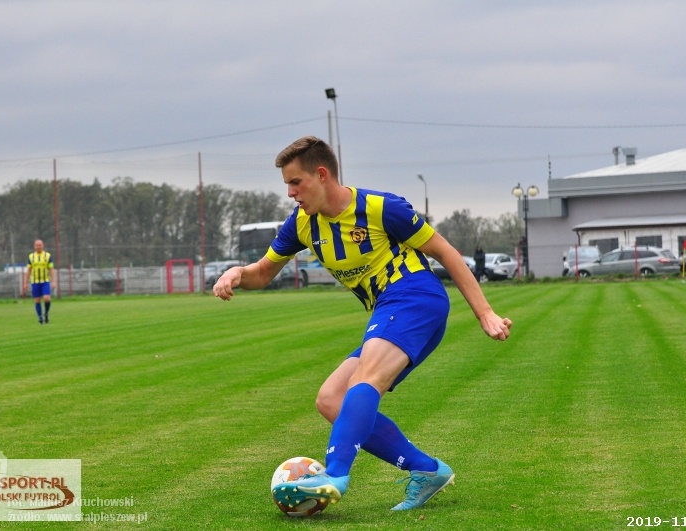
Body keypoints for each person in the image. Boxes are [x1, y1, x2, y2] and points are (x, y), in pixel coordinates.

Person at [213, 136, 512, 512]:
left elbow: (445, 252)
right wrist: (236, 273)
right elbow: (261, 273)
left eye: (296, 182)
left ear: (322, 175)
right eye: (287, 184)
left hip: (415, 296)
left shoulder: (380, 207)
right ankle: (426, 470)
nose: (290, 193)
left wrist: (484, 313)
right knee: (331, 399)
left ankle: (335, 474)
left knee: (364, 380)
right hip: (390, 310)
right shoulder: (302, 224)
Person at [24, 239, 55, 324]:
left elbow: (51, 269)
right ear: (34, 246)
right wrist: (25, 283)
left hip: (45, 281)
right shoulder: (31, 256)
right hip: (35, 281)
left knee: (46, 298)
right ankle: (40, 317)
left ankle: (46, 313)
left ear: (43, 246)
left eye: (40, 245)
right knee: (37, 300)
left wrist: (53, 281)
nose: (38, 247)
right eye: (37, 245)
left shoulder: (47, 256)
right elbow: (28, 270)